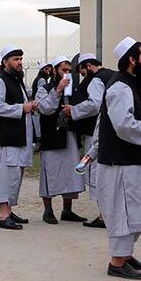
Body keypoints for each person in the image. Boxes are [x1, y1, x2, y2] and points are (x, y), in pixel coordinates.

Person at [86, 37, 141, 280]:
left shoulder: (130, 84)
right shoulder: (120, 86)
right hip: (121, 163)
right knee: (124, 211)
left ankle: (126, 254)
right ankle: (117, 262)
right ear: (131, 60)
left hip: (133, 161)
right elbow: (122, 125)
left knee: (138, 210)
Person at [35, 55, 87, 224]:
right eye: (63, 70)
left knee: (70, 172)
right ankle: (48, 210)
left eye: (69, 71)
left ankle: (67, 210)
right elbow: (45, 108)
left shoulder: (72, 89)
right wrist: (57, 90)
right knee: (50, 172)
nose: (67, 74)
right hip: (52, 136)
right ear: (55, 70)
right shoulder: (45, 88)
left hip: (69, 136)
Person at [66, 53, 115, 229]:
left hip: (97, 132)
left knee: (96, 173)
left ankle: (104, 216)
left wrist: (73, 110)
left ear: (88, 66)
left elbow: (94, 104)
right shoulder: (112, 75)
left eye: (82, 71)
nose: (82, 75)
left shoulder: (95, 80)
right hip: (112, 131)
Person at [0, 45, 34, 230]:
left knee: (16, 175)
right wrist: (20, 108)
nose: (19, 63)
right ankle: (2, 215)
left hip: (19, 136)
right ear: (5, 62)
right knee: (7, 176)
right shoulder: (0, 81)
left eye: (21, 59)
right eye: (15, 59)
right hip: (8, 137)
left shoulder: (17, 81)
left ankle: (9, 209)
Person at [30, 62, 53, 149]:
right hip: (39, 105)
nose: (48, 71)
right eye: (46, 69)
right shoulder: (42, 80)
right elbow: (41, 92)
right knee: (39, 126)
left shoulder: (39, 78)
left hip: (37, 104)